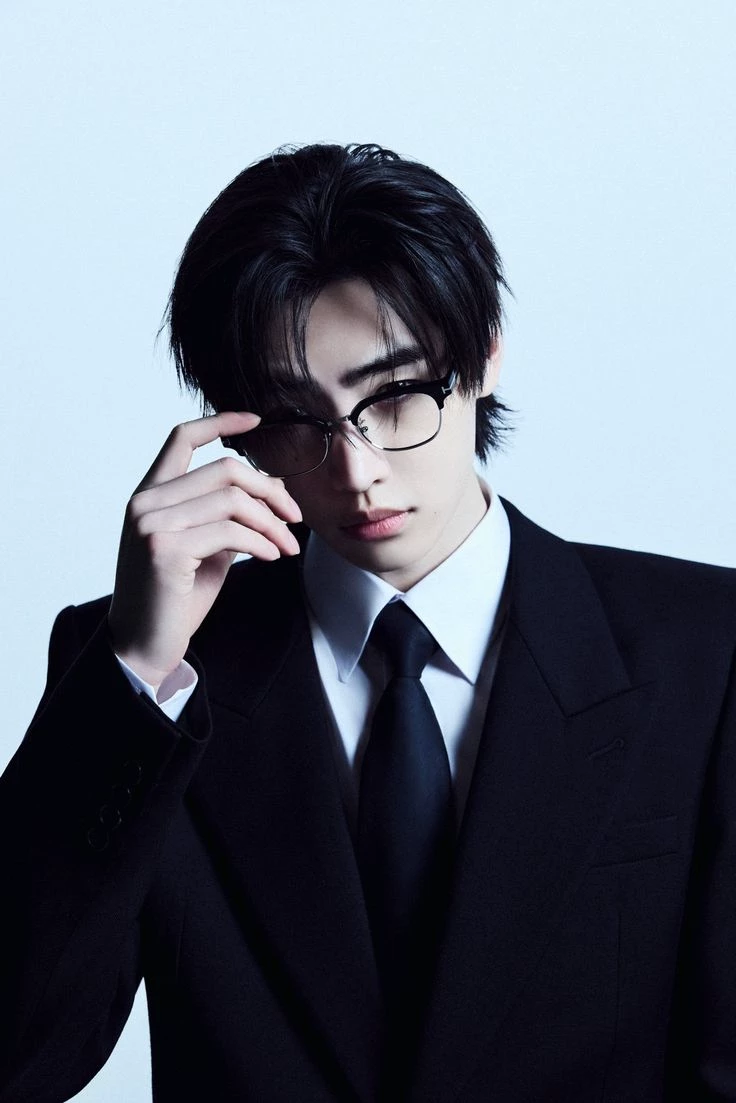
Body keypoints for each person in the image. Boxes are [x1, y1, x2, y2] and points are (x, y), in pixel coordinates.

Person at [1, 142, 735, 1103]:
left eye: (394, 398)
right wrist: (138, 667)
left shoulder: (708, 652)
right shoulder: (144, 675)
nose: (355, 471)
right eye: (294, 418)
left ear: (484, 355)